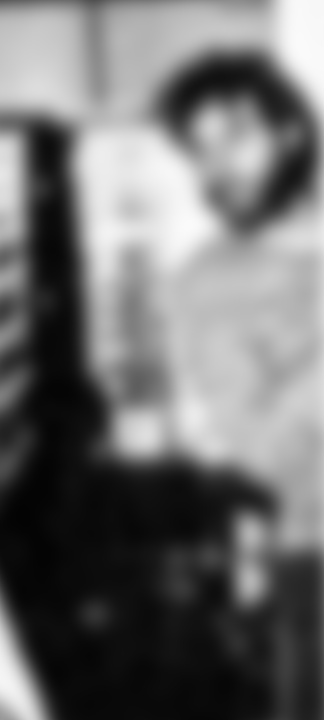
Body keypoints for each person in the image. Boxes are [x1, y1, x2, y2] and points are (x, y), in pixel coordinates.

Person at [157, 51, 319, 720]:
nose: (220, 162)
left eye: (237, 135)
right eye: (203, 145)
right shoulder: (201, 274)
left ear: (287, 136)